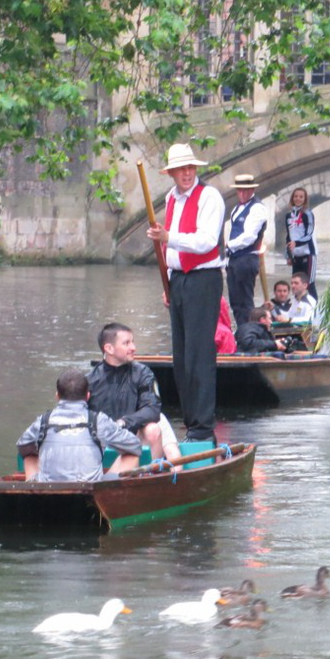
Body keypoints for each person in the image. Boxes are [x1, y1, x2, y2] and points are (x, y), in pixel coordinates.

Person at [145, 143, 226, 443]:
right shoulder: (171, 198)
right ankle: (191, 425)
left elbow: (205, 241)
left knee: (199, 355)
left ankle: (203, 428)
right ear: (173, 173)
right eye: (182, 169)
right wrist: (168, 281)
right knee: (181, 358)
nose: (188, 173)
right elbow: (169, 246)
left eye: (191, 168)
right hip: (179, 281)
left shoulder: (210, 197)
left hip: (203, 280)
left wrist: (168, 236)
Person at [17, 369, 142, 482]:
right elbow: (135, 446)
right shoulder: (99, 421)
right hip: (89, 490)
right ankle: (109, 495)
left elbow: (23, 446)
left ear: (57, 396)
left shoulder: (42, 421)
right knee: (131, 455)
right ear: (88, 396)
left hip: (49, 490)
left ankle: (34, 491)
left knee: (29, 456)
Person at [87, 322, 182, 461]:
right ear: (109, 348)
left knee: (154, 429)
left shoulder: (143, 373)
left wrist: (124, 422)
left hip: (134, 433)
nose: (133, 348)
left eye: (133, 342)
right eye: (126, 343)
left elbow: (152, 409)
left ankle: (153, 475)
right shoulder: (89, 380)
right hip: (103, 439)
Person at [225, 174, 270, 327]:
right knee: (236, 303)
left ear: (252, 189)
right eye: (240, 191)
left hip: (247, 259)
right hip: (234, 260)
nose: (242, 194)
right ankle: (242, 332)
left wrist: (228, 245)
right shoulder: (236, 209)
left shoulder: (257, 208)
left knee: (245, 302)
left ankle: (249, 333)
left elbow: (249, 236)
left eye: (246, 191)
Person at [285, 187, 319, 299]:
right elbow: (288, 236)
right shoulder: (288, 216)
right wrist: (289, 255)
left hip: (308, 254)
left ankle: (312, 311)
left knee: (308, 284)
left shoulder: (307, 214)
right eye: (296, 196)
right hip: (296, 255)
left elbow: (309, 234)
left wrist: (297, 243)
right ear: (292, 198)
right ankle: (296, 310)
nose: (298, 199)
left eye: (301, 197)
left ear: (305, 199)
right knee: (296, 284)